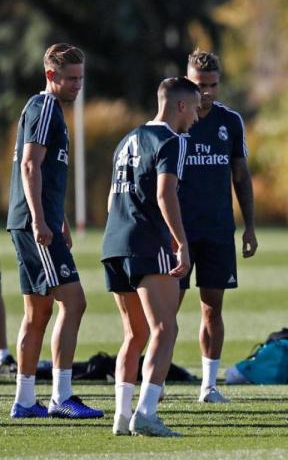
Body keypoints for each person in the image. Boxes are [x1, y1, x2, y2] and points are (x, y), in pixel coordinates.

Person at [7, 44, 102, 419]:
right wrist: (40, 220)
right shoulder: (46, 107)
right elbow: (30, 166)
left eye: (81, 78)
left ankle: (25, 400)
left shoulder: (43, 109)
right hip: (35, 225)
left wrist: (58, 216)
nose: (78, 85)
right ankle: (61, 396)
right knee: (74, 302)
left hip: (33, 221)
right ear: (51, 76)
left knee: (38, 312)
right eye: (71, 78)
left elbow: (44, 172)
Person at [102, 77, 200, 437]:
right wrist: (181, 242)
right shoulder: (171, 141)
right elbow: (164, 194)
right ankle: (145, 413)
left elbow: (112, 198)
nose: (196, 117)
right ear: (180, 106)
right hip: (147, 241)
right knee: (165, 328)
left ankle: (122, 415)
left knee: (135, 333)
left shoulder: (128, 139)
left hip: (114, 241)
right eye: (195, 108)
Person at [178, 49, 258, 404]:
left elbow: (240, 175)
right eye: (200, 85)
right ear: (187, 82)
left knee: (212, 308)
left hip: (217, 230)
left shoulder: (230, 121)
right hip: (178, 232)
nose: (206, 92)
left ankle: (209, 386)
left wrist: (249, 227)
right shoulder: (173, 121)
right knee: (165, 310)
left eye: (212, 85)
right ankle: (154, 382)